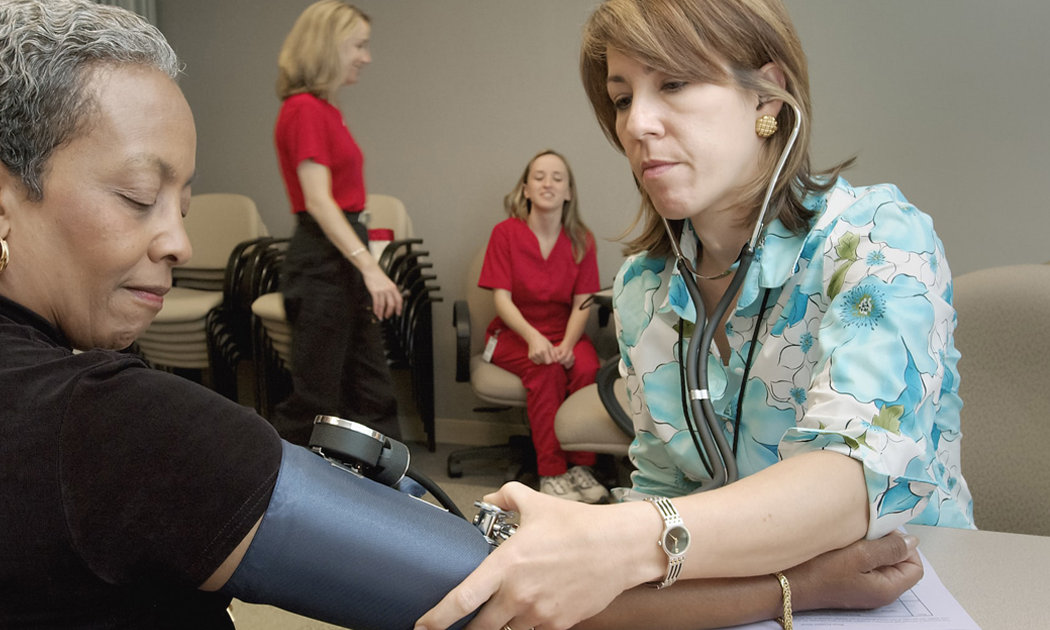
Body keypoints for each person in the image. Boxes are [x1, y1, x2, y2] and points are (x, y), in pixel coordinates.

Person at [0, 2, 490, 629]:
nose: (178, 243)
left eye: (180, 206)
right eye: (139, 197)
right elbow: (488, 587)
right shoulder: (115, 425)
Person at [416, 1, 969, 629]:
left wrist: (616, 539)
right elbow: (661, 508)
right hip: (726, 597)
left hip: (910, 589)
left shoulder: (877, 240)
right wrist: (785, 586)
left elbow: (852, 484)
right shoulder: (641, 291)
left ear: (768, 98)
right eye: (622, 98)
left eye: (673, 83)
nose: (636, 125)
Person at [271, 0, 403, 445]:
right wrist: (371, 268)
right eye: (359, 45)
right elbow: (319, 202)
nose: (366, 57)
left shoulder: (327, 110)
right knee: (316, 399)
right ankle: (273, 499)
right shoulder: (304, 109)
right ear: (328, 45)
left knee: (370, 391)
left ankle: (391, 495)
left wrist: (364, 268)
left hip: (341, 257)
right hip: (323, 263)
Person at [478, 150, 606, 503]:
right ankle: (551, 472)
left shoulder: (582, 239)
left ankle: (581, 466)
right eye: (539, 176)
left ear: (568, 192)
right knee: (546, 368)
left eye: (557, 177)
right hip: (514, 333)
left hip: (564, 330)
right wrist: (533, 337)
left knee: (587, 367)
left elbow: (584, 300)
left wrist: (568, 342)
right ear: (525, 189)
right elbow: (501, 300)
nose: (548, 183)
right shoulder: (505, 234)